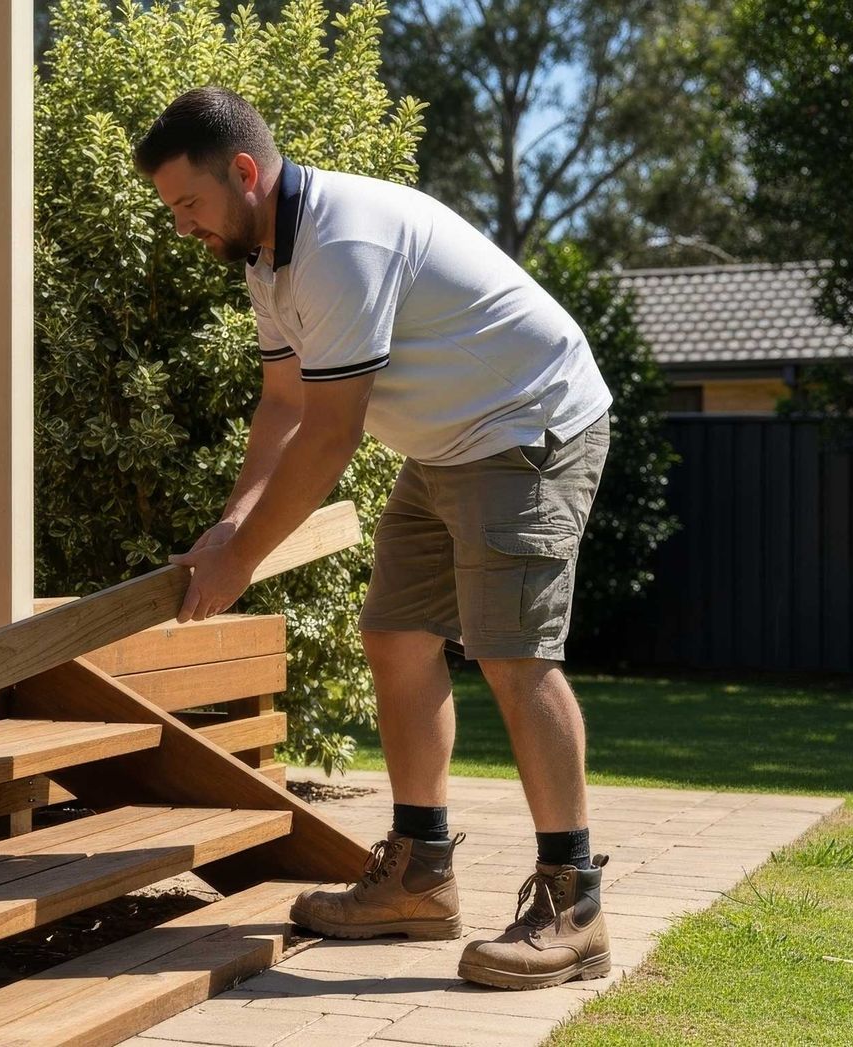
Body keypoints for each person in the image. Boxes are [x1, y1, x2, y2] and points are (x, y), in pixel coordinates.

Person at [133, 86, 615, 991]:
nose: (182, 225)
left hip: (527, 423)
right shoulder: (266, 257)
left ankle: (574, 903)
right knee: (395, 636)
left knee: (514, 653)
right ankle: (420, 877)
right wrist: (232, 522)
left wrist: (241, 562)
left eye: (188, 203)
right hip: (445, 439)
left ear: (244, 172)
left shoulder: (341, 241)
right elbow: (281, 405)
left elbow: (330, 431)